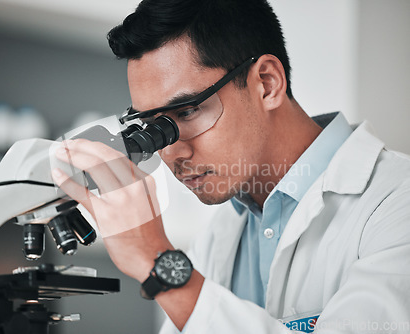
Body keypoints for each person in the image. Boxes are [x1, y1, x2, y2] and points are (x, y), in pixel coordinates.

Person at [50, 0, 410, 332]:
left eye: (187, 111)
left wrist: (159, 262)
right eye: (151, 127)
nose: (172, 152)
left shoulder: (397, 203)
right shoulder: (223, 233)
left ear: (267, 84)